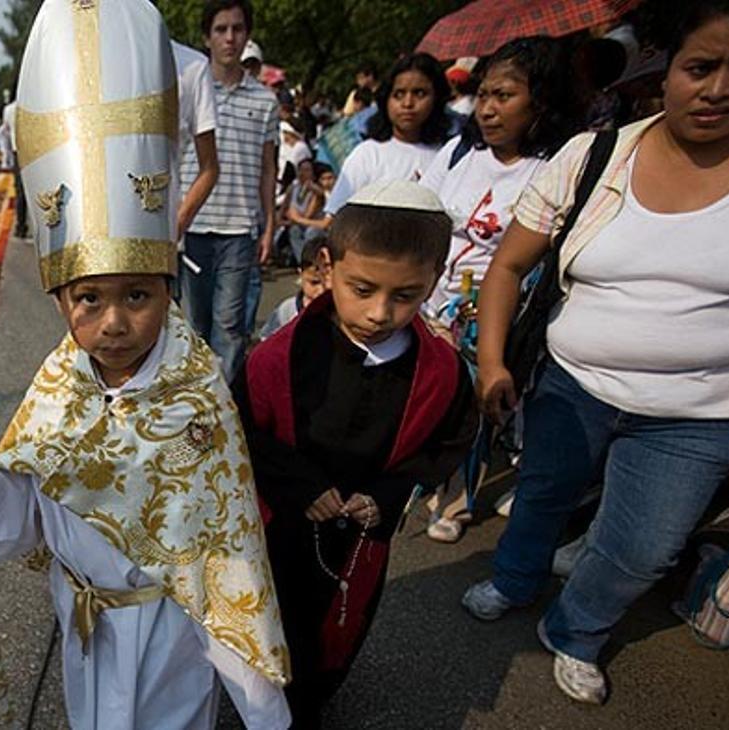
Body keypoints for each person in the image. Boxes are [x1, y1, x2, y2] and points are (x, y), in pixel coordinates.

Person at [0, 2, 291, 727]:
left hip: (167, 632)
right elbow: (32, 485)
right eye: (89, 300)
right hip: (85, 622)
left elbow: (228, 554)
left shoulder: (197, 399)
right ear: (62, 297)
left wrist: (260, 706)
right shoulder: (59, 384)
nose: (115, 322)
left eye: (137, 294)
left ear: (169, 286)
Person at [463, 0, 729, 705]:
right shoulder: (595, 155)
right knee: (541, 496)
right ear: (664, 71)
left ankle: (578, 629)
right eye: (701, 67)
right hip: (571, 386)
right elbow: (506, 267)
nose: (718, 88)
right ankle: (516, 578)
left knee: (643, 547)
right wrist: (493, 364)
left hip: (698, 415)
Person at [235, 181, 477, 728]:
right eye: (362, 289)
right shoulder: (282, 355)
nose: (379, 312)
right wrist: (300, 487)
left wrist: (387, 495)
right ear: (328, 265)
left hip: (362, 534)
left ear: (433, 282)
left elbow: (448, 441)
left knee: (339, 629)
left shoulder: (438, 370)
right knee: (277, 622)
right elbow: (244, 429)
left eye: (406, 295)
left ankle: (311, 703)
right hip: (287, 527)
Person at [416, 36, 579, 543]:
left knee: (477, 403)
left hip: (497, 315)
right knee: (438, 398)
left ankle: (459, 500)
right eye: (483, 95)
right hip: (434, 304)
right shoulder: (457, 153)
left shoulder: (556, 168)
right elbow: (422, 215)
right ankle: (438, 476)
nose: (487, 109)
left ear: (541, 101)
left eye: (504, 96)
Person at [181, 0, 279, 383]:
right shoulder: (188, 90)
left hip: (239, 230)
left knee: (230, 329)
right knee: (192, 327)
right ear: (207, 36)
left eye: (237, 29)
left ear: (247, 35)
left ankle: (225, 412)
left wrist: (269, 226)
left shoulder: (265, 101)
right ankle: (190, 408)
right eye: (220, 29)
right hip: (193, 225)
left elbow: (268, 170)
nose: (229, 38)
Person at [323, 53, 454, 216]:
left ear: (437, 98)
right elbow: (338, 217)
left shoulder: (449, 155)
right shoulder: (368, 155)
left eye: (419, 93)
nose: (407, 103)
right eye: (399, 94)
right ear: (386, 99)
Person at [172, 40, 219, 240]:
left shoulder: (191, 65)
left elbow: (209, 167)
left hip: (157, 236)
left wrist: (177, 223)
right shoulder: (75, 56)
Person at [258, 237, 327, 340]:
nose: (321, 291)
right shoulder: (287, 310)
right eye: (314, 283)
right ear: (301, 274)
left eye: (327, 284)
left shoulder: (342, 312)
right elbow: (266, 341)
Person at [280, 158, 330, 264]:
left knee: (310, 232)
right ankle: (302, 262)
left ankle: (308, 263)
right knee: (294, 230)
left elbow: (307, 215)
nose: (303, 173)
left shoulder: (315, 192)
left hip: (313, 224)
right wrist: (285, 219)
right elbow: (283, 209)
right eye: (301, 170)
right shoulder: (293, 188)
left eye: (307, 170)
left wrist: (293, 216)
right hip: (296, 223)